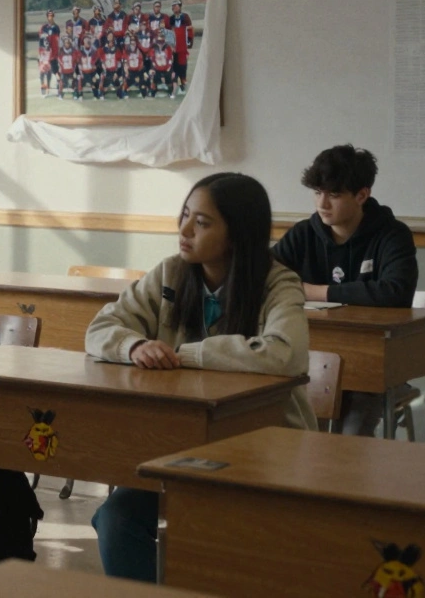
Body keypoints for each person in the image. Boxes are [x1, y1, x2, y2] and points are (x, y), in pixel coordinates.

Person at [85, 172, 315, 583]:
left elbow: (285, 353)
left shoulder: (277, 282)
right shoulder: (172, 272)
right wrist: (135, 347)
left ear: (237, 234)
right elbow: (101, 328)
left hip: (264, 452)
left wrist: (183, 355)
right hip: (179, 448)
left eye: (203, 222)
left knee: (226, 536)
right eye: (185, 215)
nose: (185, 230)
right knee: (116, 519)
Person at [272, 145, 419, 436]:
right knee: (285, 423)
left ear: (362, 195)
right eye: (317, 192)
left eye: (334, 195)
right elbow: (263, 276)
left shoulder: (392, 234)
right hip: (311, 364)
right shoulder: (303, 233)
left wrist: (316, 292)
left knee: (348, 435)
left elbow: (396, 291)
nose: (322, 204)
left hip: (371, 368)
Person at [169, 0, 195, 94]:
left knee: (183, 66)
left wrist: (189, 43)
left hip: (183, 47)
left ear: (180, 7)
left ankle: (184, 84)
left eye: (176, 6)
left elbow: (190, 30)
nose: (174, 8)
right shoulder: (171, 18)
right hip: (174, 47)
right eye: (173, 6)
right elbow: (169, 32)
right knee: (174, 67)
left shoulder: (185, 17)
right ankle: (175, 85)